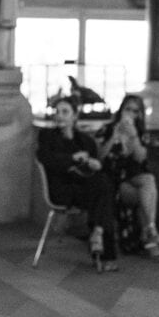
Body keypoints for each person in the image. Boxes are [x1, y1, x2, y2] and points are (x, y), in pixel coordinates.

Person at [37, 97, 119, 271]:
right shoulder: (47, 136)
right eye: (57, 112)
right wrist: (72, 158)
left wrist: (94, 164)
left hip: (84, 187)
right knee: (103, 192)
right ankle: (103, 250)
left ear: (75, 116)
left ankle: (97, 233)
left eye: (65, 112)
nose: (60, 116)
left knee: (102, 186)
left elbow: (94, 166)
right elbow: (46, 158)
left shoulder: (85, 140)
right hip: (62, 189)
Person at [97, 94, 159, 261]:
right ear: (121, 110)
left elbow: (141, 159)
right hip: (114, 180)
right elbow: (99, 157)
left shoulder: (140, 133)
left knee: (147, 184)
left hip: (135, 177)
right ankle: (151, 235)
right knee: (147, 190)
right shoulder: (107, 129)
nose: (130, 114)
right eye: (128, 109)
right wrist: (115, 135)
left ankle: (149, 231)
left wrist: (134, 136)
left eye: (135, 111)